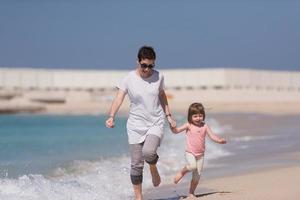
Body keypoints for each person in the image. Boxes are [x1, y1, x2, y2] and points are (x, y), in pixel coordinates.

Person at [105, 45, 176, 200]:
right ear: (137, 62)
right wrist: (112, 116)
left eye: (151, 66)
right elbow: (118, 98)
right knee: (136, 165)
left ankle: (153, 166)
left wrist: (168, 115)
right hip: (135, 125)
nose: (147, 69)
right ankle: (139, 197)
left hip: (155, 122)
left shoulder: (159, 77)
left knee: (149, 153)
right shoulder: (128, 78)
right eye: (144, 65)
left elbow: (162, 95)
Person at [170, 102, 226, 199]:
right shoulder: (188, 125)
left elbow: (212, 136)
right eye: (195, 116)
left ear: (203, 116)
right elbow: (176, 131)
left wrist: (219, 140)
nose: (198, 118)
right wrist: (172, 127)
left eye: (200, 116)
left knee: (197, 177)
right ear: (190, 117)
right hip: (190, 152)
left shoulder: (205, 126)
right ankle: (182, 172)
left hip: (201, 155)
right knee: (192, 166)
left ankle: (191, 193)